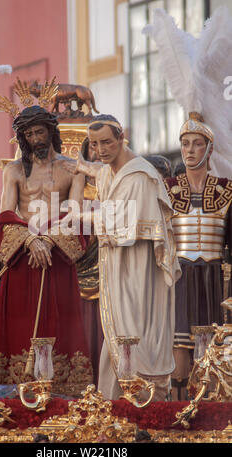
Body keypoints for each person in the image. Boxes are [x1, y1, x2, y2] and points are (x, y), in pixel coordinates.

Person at [62, 114, 181, 401]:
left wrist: (79, 215)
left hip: (137, 271)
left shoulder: (139, 176)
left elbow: (122, 222)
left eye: (106, 142)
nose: (101, 150)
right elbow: (100, 172)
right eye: (94, 144)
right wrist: (82, 167)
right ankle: (113, 407)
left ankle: (140, 404)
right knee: (116, 335)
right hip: (118, 267)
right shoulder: (110, 170)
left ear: (121, 137)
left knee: (132, 335)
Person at [0, 105, 93, 396]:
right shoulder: (13, 171)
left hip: (56, 259)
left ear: (51, 131)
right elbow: (7, 215)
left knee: (60, 324)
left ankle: (63, 392)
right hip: (24, 258)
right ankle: (15, 391)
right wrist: (30, 240)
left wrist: (48, 240)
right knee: (19, 326)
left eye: (40, 131)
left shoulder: (72, 168)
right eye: (29, 133)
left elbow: (75, 213)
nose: (36, 138)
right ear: (23, 137)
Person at [163, 112, 232, 400]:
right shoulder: (167, 189)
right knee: (179, 348)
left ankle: (213, 412)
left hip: (216, 278)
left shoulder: (226, 190)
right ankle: (179, 412)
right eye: (185, 144)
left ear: (210, 149)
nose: (189, 150)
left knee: (214, 349)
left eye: (196, 144)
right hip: (180, 276)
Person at [75, 137, 104, 386]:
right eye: (92, 147)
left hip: (110, 268)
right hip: (81, 269)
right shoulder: (78, 189)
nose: (97, 152)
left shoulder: (117, 185)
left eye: (102, 145)